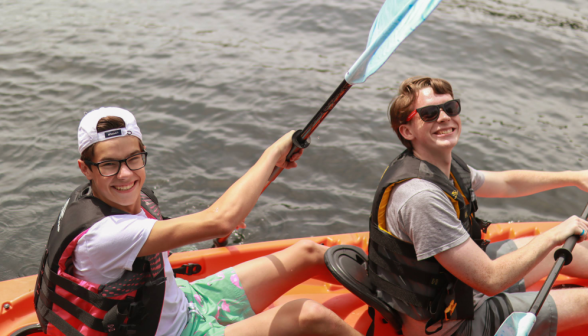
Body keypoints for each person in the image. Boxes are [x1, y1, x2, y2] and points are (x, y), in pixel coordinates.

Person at [34, 107, 363, 336]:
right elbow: (221, 220)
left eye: (134, 158)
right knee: (309, 315)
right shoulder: (105, 234)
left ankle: (401, 298)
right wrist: (276, 150)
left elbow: (218, 218)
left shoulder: (116, 198)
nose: (126, 174)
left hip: (186, 300)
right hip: (172, 331)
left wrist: (227, 215)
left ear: (143, 152)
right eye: (109, 164)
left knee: (308, 252)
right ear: (85, 169)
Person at [367, 76, 588, 336]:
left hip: (459, 290)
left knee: (564, 248)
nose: (443, 118)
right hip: (449, 326)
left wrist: (574, 177)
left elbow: (507, 184)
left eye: (450, 108)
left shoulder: (443, 168)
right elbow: (491, 280)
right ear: (407, 131)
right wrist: (555, 233)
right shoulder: (421, 197)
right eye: (428, 114)